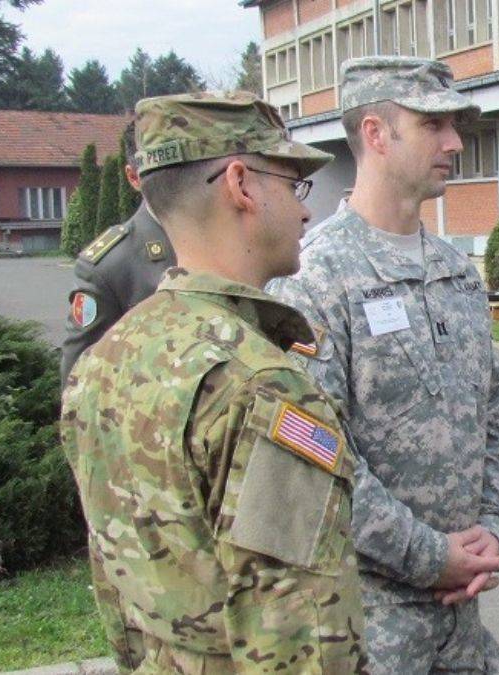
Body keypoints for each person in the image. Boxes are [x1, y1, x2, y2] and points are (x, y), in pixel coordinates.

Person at [60, 91, 369, 673]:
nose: (306, 211)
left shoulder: (108, 357)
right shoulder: (259, 384)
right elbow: (303, 642)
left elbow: (116, 591)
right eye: (292, 184)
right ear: (241, 184)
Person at [268, 56, 499, 675]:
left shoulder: (455, 270)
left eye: (454, 125)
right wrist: (432, 556)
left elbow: (492, 415)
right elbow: (316, 458)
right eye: (434, 125)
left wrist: (496, 528)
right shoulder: (315, 277)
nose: (455, 142)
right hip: (370, 622)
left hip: (461, 616)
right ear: (376, 134)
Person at [60, 122, 175, 382]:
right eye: (161, 170)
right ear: (133, 177)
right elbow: (78, 376)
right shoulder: (110, 264)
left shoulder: (231, 236)